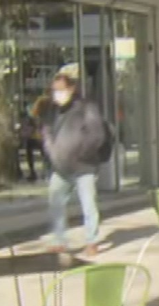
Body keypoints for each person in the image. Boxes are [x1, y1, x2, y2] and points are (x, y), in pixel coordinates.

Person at [41, 73, 113, 256]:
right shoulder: (52, 110)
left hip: (84, 165)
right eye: (54, 90)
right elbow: (47, 131)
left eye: (61, 89)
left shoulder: (87, 107)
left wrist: (81, 153)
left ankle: (92, 240)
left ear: (71, 89)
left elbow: (96, 134)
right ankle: (59, 240)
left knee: (88, 203)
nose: (57, 94)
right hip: (61, 166)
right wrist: (53, 152)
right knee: (56, 202)